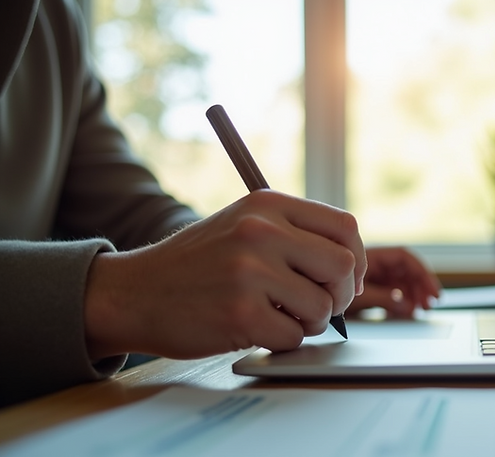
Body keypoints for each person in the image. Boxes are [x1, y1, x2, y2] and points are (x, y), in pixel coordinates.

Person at [0, 0, 442, 407]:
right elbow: (145, 274)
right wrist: (114, 297)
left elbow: (133, 213)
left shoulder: (53, 19)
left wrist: (281, 267)